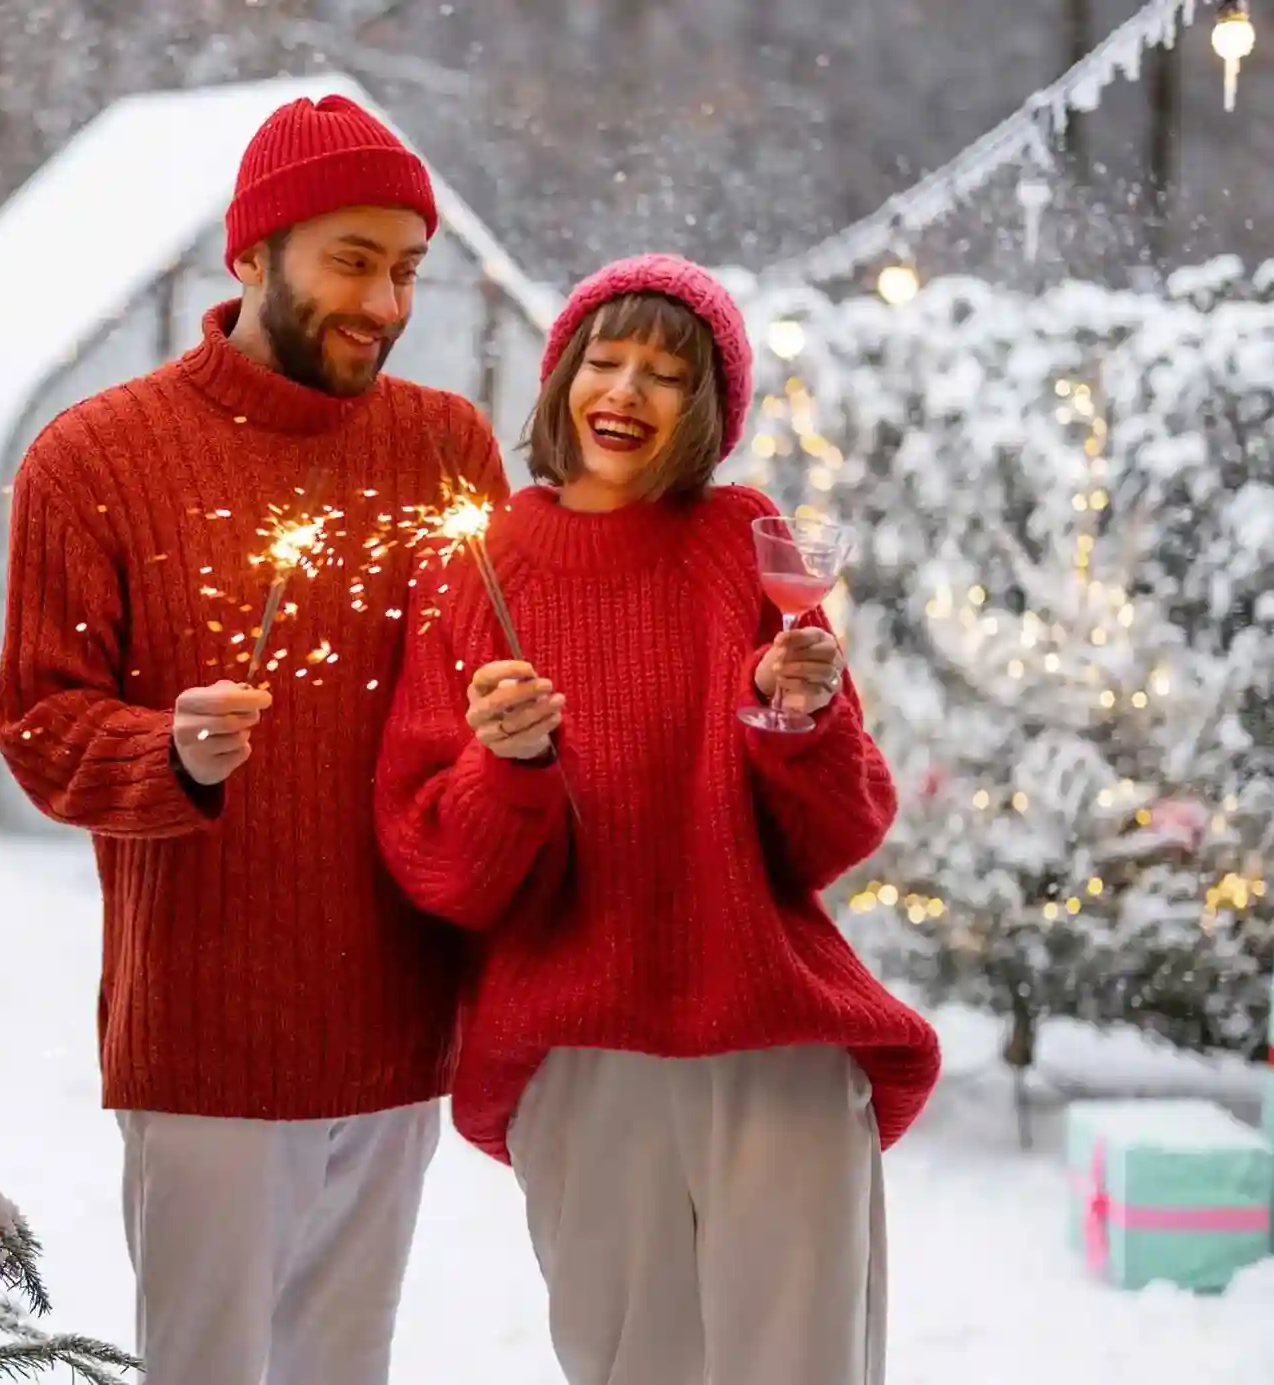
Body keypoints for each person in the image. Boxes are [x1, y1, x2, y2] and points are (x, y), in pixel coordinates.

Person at [0, 94, 507, 1385]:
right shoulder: (94, 456)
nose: (386, 303)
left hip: (397, 1014)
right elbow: (43, 724)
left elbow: (488, 683)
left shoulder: (447, 446)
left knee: (347, 1364)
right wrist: (167, 752)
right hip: (212, 1028)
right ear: (252, 255)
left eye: (405, 269)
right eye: (351, 261)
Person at [373, 253, 944, 1385]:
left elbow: (839, 830)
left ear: (708, 410)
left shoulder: (745, 541)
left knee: (800, 1365)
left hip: (772, 1033)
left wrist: (800, 721)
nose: (626, 392)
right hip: (581, 1043)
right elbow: (442, 864)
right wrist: (513, 767)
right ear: (563, 377)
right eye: (606, 359)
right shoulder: (474, 567)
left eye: (666, 374)